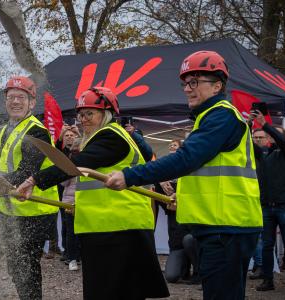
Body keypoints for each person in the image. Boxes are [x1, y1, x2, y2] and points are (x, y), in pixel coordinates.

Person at [105, 51, 261, 300]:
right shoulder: (211, 118)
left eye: (195, 82)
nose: (187, 89)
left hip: (226, 226)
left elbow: (186, 160)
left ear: (218, 85)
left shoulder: (221, 116)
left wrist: (129, 175)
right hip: (223, 225)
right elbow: (203, 173)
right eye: (185, 83)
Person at [18, 87, 169, 299]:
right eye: (80, 114)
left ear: (106, 113)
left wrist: (35, 179)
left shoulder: (111, 136)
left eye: (90, 113)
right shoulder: (106, 137)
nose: (83, 119)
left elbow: (76, 164)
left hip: (118, 228)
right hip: (110, 226)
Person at [0, 76, 59, 299]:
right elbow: (3, 165)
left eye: (21, 97)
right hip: (11, 209)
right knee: (16, 266)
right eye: (11, 97)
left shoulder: (36, 131)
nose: (15, 102)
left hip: (34, 211)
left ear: (32, 102)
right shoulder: (6, 130)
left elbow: (25, 171)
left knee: (27, 266)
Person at [248, 111, 285, 293]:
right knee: (267, 245)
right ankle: (268, 280)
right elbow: (248, 144)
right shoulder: (264, 154)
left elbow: (283, 142)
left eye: (273, 134)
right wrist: (247, 125)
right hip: (267, 207)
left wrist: (265, 124)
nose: (269, 137)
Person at [157, 139, 199, 284]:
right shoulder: (167, 174)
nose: (171, 148)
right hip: (176, 237)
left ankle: (199, 271)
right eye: (170, 146)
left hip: (192, 232)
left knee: (189, 241)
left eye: (175, 146)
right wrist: (161, 181)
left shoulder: (193, 171)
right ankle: (184, 268)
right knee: (172, 276)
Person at [58, 126, 81, 271]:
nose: (70, 137)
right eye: (67, 135)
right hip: (66, 196)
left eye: (72, 135)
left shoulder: (86, 155)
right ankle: (69, 254)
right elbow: (62, 180)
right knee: (68, 227)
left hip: (81, 197)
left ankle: (75, 255)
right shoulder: (62, 153)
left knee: (77, 229)